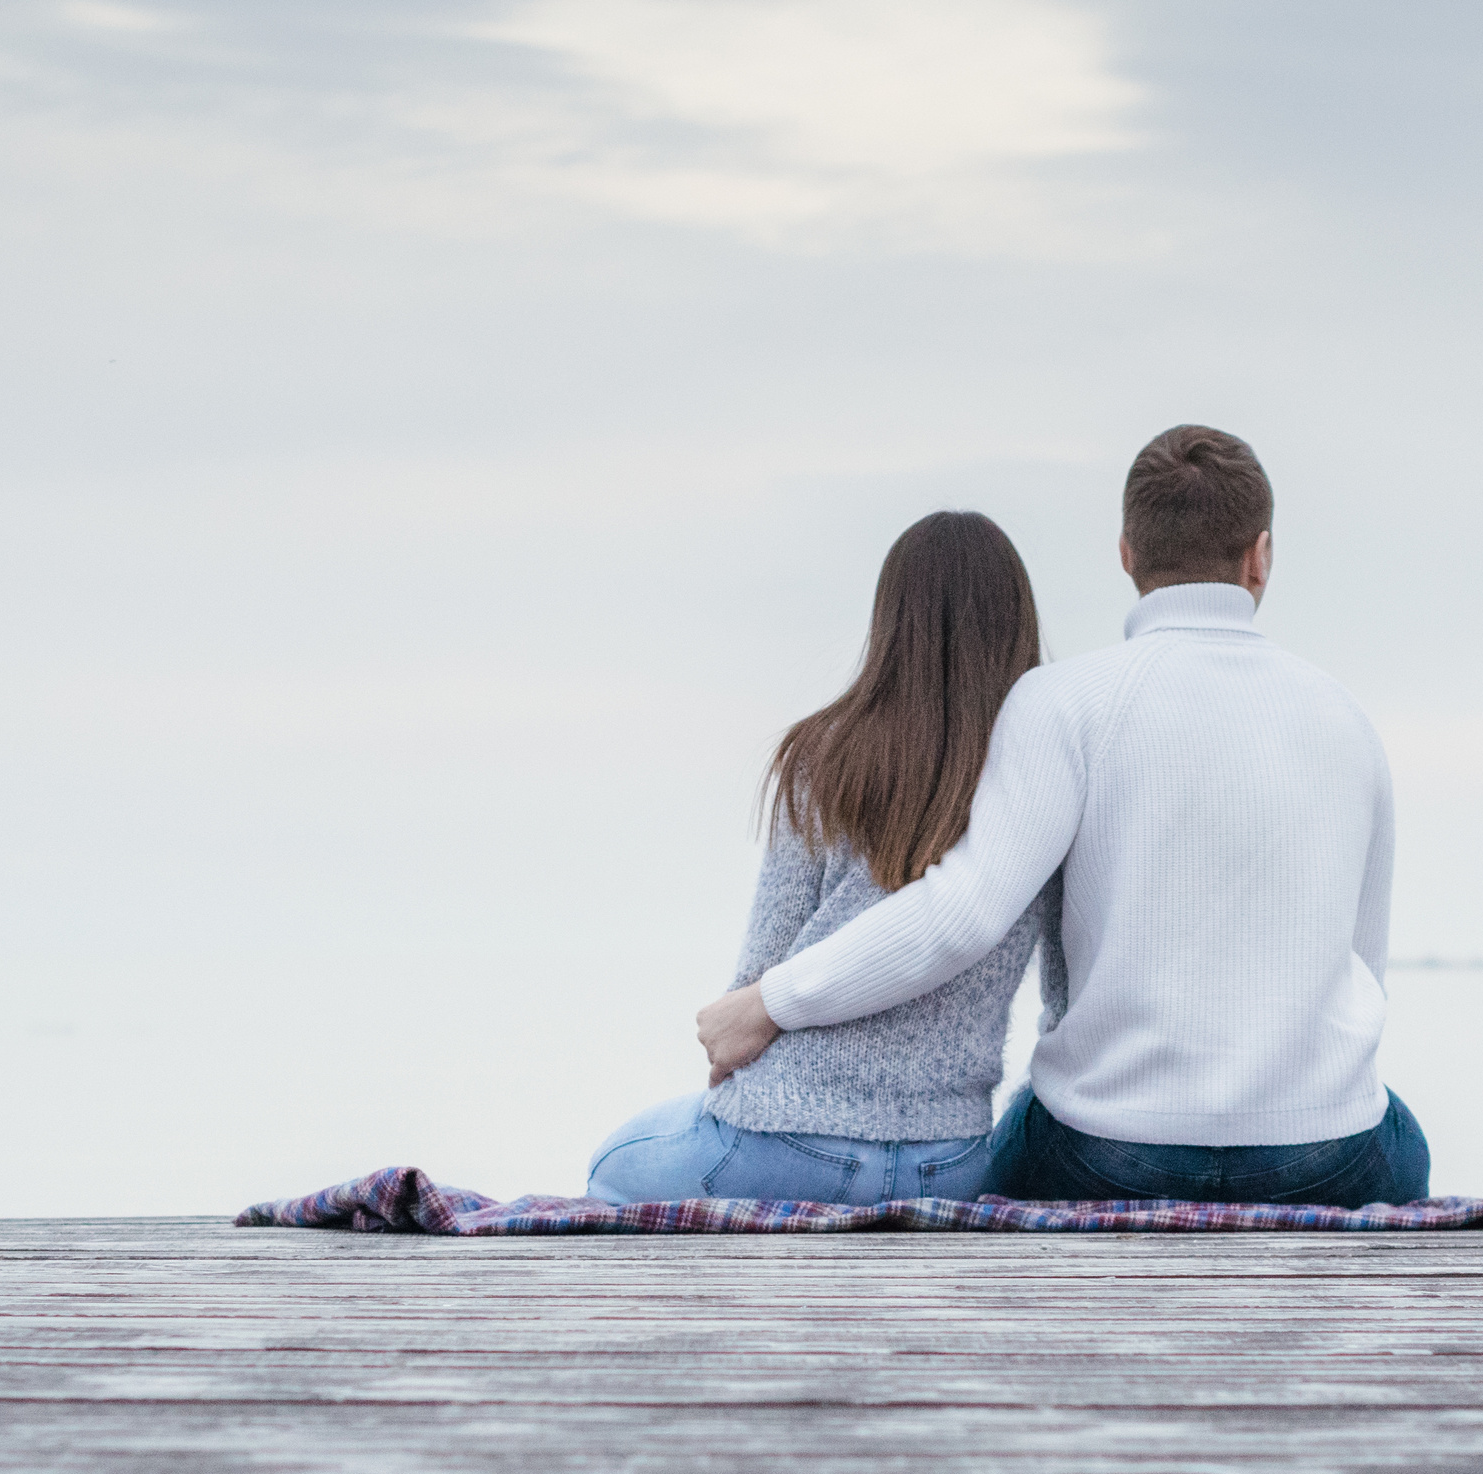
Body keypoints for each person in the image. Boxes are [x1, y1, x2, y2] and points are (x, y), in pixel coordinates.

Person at [694, 425, 1428, 1208]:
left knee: (1008, 1145)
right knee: (1404, 1139)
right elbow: (1365, 975)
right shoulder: (1348, 721)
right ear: (1260, 555)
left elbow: (961, 916)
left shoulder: (1062, 704)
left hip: (1110, 1153)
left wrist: (771, 1001)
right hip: (1322, 1154)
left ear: (1126, 552)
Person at [586, 511, 1065, 1205]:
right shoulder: (1039, 780)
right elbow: (1060, 981)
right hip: (949, 1159)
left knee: (613, 1162)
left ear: (891, 620)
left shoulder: (823, 756)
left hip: (790, 1144)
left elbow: (759, 969)